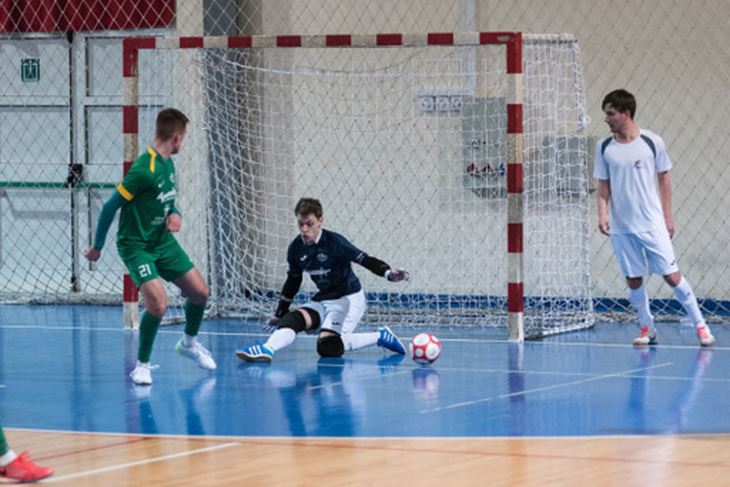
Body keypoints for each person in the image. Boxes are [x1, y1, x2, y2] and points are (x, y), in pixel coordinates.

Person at [85, 108, 216, 385]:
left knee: (200, 293)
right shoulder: (145, 169)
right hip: (136, 245)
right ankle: (141, 365)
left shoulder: (168, 164)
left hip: (161, 240)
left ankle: (189, 344)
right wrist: (97, 247)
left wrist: (175, 213)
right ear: (177, 137)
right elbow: (110, 207)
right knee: (158, 303)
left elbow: (166, 198)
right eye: (185, 138)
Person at [594, 89, 715, 347]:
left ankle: (701, 325)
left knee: (672, 276)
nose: (606, 119)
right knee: (633, 279)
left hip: (652, 224)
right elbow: (603, 184)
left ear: (626, 114)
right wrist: (603, 213)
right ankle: (646, 327)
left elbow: (665, 179)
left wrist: (668, 217)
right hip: (622, 227)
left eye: (611, 114)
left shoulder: (652, 142)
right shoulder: (604, 147)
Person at [236, 197, 409, 362]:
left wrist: (389, 273)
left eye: (309, 224)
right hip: (324, 297)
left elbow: (365, 259)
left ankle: (380, 336)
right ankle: (267, 349)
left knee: (328, 347)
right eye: (301, 224)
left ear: (320, 221)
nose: (304, 229)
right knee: (292, 319)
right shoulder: (296, 248)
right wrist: (279, 313)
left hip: (348, 299)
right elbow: (293, 281)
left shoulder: (335, 243)